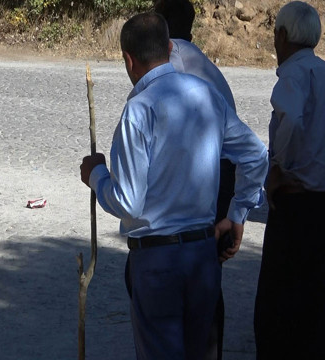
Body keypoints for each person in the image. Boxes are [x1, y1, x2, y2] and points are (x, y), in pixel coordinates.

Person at [79, 12, 268, 359]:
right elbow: (256, 155)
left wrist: (96, 176)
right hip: (201, 256)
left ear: (128, 60)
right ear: (170, 47)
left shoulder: (138, 110)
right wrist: (237, 212)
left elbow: (129, 202)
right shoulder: (207, 94)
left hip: (157, 262)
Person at [154, 1, 238, 358]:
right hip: (223, 171)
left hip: (202, 175)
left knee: (175, 265)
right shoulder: (207, 66)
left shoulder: (170, 66)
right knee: (206, 271)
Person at [253, 2, 325, 359]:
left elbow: (292, 120)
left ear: (281, 35)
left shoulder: (293, 74)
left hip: (296, 203)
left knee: (278, 311)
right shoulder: (323, 73)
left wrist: (278, 167)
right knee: (314, 310)